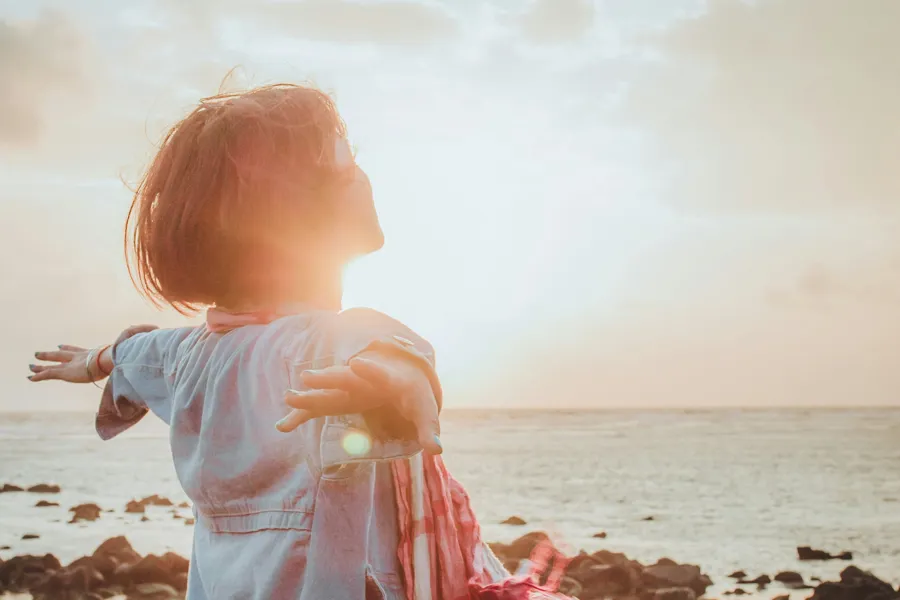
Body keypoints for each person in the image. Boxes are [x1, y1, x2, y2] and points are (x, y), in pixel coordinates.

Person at [27, 84, 453, 599]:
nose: (361, 172)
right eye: (343, 162)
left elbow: (140, 354)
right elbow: (379, 348)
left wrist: (96, 360)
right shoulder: (323, 342)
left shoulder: (191, 354)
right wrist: (395, 377)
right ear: (288, 211)